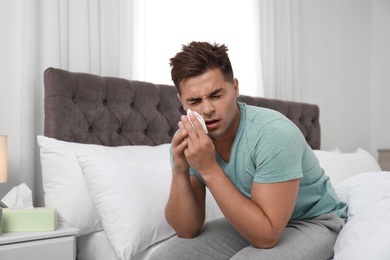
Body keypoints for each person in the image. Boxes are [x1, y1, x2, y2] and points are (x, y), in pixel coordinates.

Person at [149, 41, 347, 260]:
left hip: (313, 221)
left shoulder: (273, 133)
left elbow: (266, 237)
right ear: (181, 101)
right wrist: (179, 170)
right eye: (194, 101)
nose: (207, 110)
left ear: (235, 88)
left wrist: (208, 169)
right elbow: (187, 230)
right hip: (254, 219)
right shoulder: (190, 141)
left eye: (216, 95)